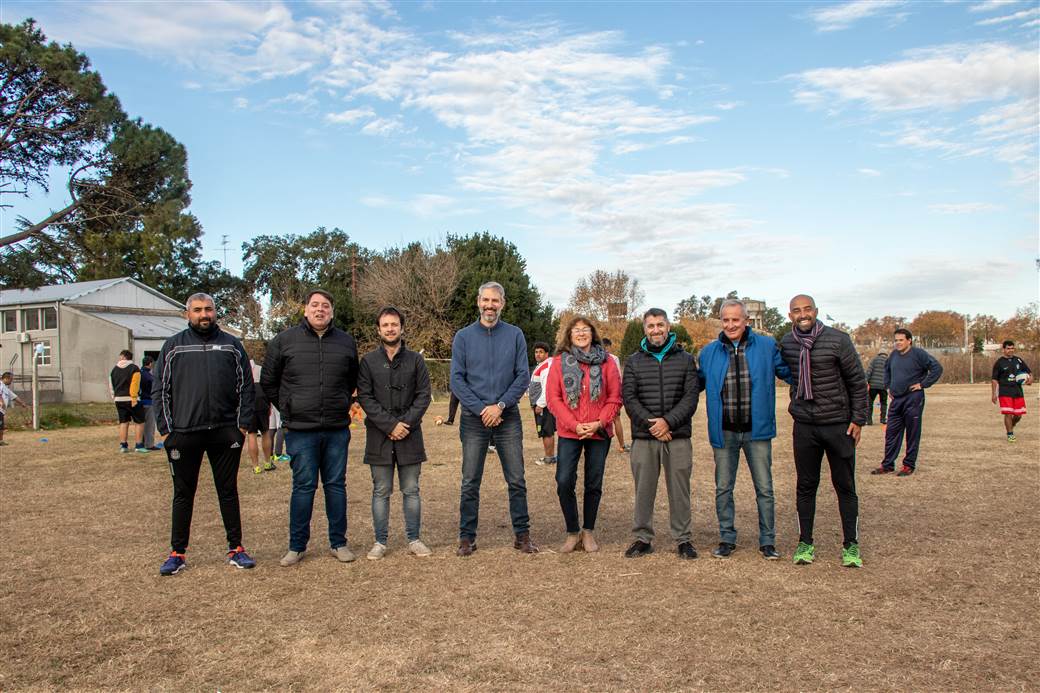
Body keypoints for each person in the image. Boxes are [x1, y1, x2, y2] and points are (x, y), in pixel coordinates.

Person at [153, 292, 256, 576]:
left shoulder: (232, 345)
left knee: (228, 491)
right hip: (185, 433)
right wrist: (166, 431)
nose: (204, 315)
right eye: (197, 310)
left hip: (225, 432)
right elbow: (160, 389)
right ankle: (177, 552)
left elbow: (247, 387)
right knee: (183, 493)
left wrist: (242, 425)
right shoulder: (173, 347)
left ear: (215, 312)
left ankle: (236, 548)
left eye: (208, 309)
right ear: (188, 314)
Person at [261, 289, 360, 567]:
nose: (320, 310)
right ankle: (296, 545)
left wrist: (344, 403)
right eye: (314, 305)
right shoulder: (284, 341)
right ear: (305, 310)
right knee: (303, 487)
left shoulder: (345, 342)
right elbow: (269, 381)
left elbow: (353, 379)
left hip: (336, 429)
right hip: (300, 430)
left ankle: (338, 542)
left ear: (332, 311)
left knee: (336, 486)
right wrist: (289, 406)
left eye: (325, 306)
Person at [698, 299, 790, 561]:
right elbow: (695, 385)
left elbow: (789, 372)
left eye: (735, 320)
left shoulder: (767, 346)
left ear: (746, 320)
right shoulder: (708, 353)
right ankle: (727, 537)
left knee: (764, 488)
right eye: (725, 320)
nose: (730, 325)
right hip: (724, 432)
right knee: (723, 488)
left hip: (757, 431)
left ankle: (767, 541)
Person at [450, 281, 537, 556]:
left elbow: (522, 375)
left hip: (507, 415)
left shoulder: (514, 335)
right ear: (478, 302)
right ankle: (467, 537)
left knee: (516, 480)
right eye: (485, 300)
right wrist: (481, 409)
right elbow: (457, 379)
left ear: (503, 303)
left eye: (495, 301)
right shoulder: (463, 337)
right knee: (470, 481)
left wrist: (499, 406)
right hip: (474, 419)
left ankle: (522, 535)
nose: (490, 305)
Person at [780, 294, 867, 568]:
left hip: (838, 424)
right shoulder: (786, 343)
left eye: (807, 309)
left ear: (815, 311)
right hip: (805, 425)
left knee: (845, 485)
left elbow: (857, 380)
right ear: (790, 314)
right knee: (806, 485)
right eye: (797, 311)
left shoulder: (837, 339)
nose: (802, 314)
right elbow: (783, 371)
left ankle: (851, 545)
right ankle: (805, 542)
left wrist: (859, 418)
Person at [621, 308, 700, 560]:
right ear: (644, 329)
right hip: (645, 437)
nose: (656, 330)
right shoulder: (633, 361)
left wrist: (668, 422)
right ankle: (643, 537)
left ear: (668, 326)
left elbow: (690, 398)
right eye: (651, 326)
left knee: (679, 489)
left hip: (677, 436)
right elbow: (629, 399)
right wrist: (653, 426)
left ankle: (683, 538)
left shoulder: (686, 359)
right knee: (644, 488)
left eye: (660, 325)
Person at [356, 307, 433, 559]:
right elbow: (365, 397)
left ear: (402, 327)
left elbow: (423, 396)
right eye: (385, 325)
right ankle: (380, 541)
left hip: (410, 435)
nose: (390, 328)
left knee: (411, 490)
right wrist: (389, 425)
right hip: (379, 436)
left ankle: (414, 538)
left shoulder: (416, 360)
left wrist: (405, 424)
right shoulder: (367, 362)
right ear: (378, 329)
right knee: (381, 490)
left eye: (394, 324)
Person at [544, 317, 622, 552]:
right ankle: (572, 530)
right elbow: (553, 399)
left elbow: (615, 398)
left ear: (592, 333)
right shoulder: (558, 363)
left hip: (599, 431)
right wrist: (574, 424)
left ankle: (588, 531)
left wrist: (599, 422)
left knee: (593, 482)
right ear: (569, 335)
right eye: (576, 330)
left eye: (585, 329)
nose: (580, 333)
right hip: (570, 431)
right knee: (564, 480)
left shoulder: (608, 362)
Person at [872, 328, 943, 476]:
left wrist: (923, 384)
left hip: (913, 398)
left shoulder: (919, 354)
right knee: (891, 433)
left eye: (901, 340)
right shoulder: (893, 355)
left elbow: (937, 368)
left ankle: (908, 465)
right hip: (896, 400)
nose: (898, 343)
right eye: (896, 340)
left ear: (909, 340)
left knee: (912, 433)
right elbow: (887, 370)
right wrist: (888, 386)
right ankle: (887, 465)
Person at [992, 340, 1033, 442]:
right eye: (1008, 348)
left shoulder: (1018, 360)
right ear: (1004, 349)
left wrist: (1030, 379)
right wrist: (994, 394)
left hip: (1018, 391)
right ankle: (1010, 434)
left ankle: (1012, 425)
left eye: (1012, 348)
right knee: (1008, 413)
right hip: (1005, 391)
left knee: (1018, 415)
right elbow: (994, 379)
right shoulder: (999, 363)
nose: (1010, 350)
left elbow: (1029, 372)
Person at [110, 349, 148, 453]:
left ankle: (123, 445)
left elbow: (111, 384)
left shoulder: (114, 369)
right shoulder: (134, 368)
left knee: (123, 422)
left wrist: (114, 396)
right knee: (139, 422)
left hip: (118, 398)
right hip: (131, 398)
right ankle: (139, 445)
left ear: (123, 356)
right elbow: (135, 384)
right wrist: (134, 398)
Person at [529, 341, 557, 465]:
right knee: (546, 431)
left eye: (541, 352)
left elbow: (547, 387)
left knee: (547, 431)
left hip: (544, 407)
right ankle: (549, 456)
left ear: (546, 353)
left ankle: (549, 458)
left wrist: (540, 404)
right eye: (536, 352)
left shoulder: (546, 366)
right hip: (542, 406)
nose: (538, 354)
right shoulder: (541, 365)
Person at [247, 360, 275, 474]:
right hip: (263, 401)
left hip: (249, 401)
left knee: (252, 434)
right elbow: (268, 385)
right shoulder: (261, 369)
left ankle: (256, 466)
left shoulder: (242, 368)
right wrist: (269, 404)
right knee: (265, 432)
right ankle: (268, 462)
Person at [602, 338, 630, 453]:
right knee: (616, 419)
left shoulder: (591, 356)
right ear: (608, 346)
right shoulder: (613, 358)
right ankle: (622, 445)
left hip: (599, 395)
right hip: (611, 394)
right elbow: (617, 377)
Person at [0, 371, 29, 446]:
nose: (11, 381)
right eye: (11, 379)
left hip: (2, 411)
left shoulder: (5, 388)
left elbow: (14, 397)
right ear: (6, 378)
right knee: (0, 426)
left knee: (1, 426)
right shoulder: (0, 385)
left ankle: (0, 441)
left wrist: (22, 403)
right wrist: (1, 402)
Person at [139, 356, 160, 450]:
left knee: (142, 424)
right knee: (150, 424)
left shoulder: (139, 373)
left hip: (140, 401)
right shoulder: (149, 377)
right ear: (150, 364)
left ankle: (141, 442)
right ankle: (149, 444)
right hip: (148, 401)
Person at [864, 349, 889, 425]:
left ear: (879, 354)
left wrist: (866, 381)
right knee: (883, 403)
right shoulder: (888, 361)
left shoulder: (874, 360)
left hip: (873, 386)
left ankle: (869, 420)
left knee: (870, 402)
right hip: (883, 386)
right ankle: (883, 419)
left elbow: (869, 371)